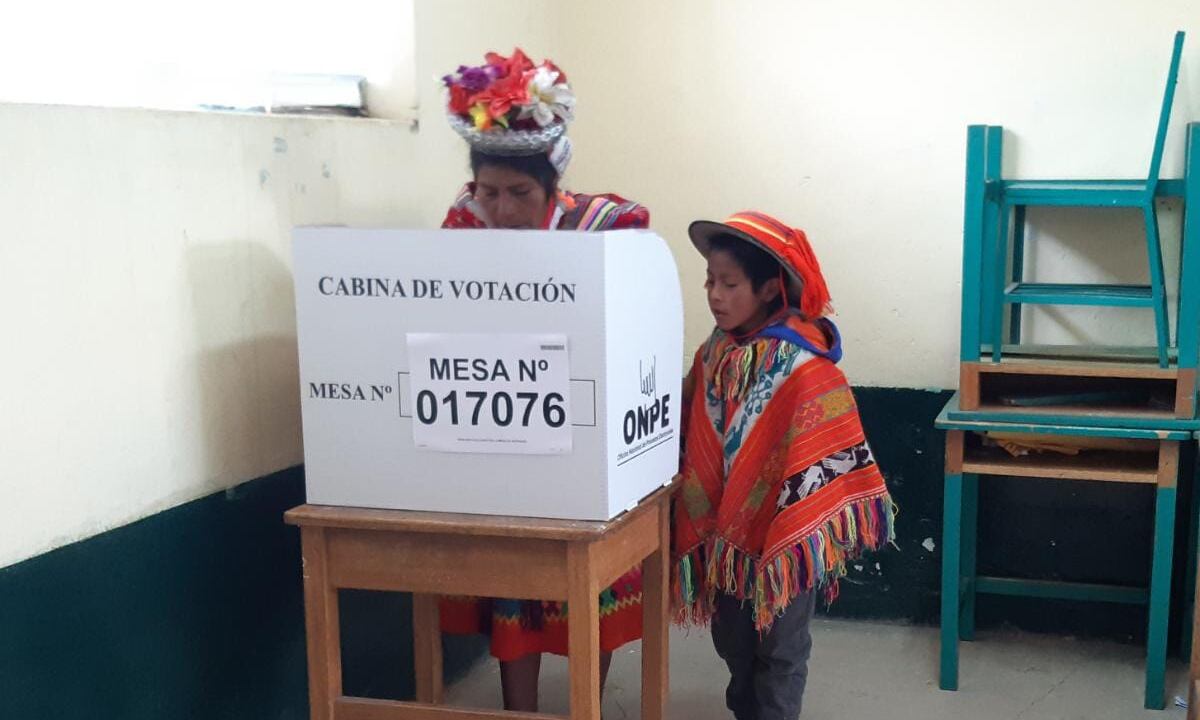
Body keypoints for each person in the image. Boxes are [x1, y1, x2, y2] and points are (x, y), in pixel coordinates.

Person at [437, 48, 647, 712]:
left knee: (586, 582)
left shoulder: (612, 227)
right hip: (496, 428)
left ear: (554, 187)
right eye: (487, 190)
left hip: (586, 434)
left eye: (519, 193)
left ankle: (587, 697)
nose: (500, 208)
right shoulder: (461, 225)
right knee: (512, 582)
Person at [674, 211, 897, 720]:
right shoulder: (713, 354)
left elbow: (834, 440)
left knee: (780, 645)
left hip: (786, 534)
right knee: (732, 639)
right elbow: (694, 426)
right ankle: (745, 708)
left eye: (729, 284)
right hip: (723, 535)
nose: (714, 295)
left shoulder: (804, 368)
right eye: (710, 281)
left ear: (770, 289)